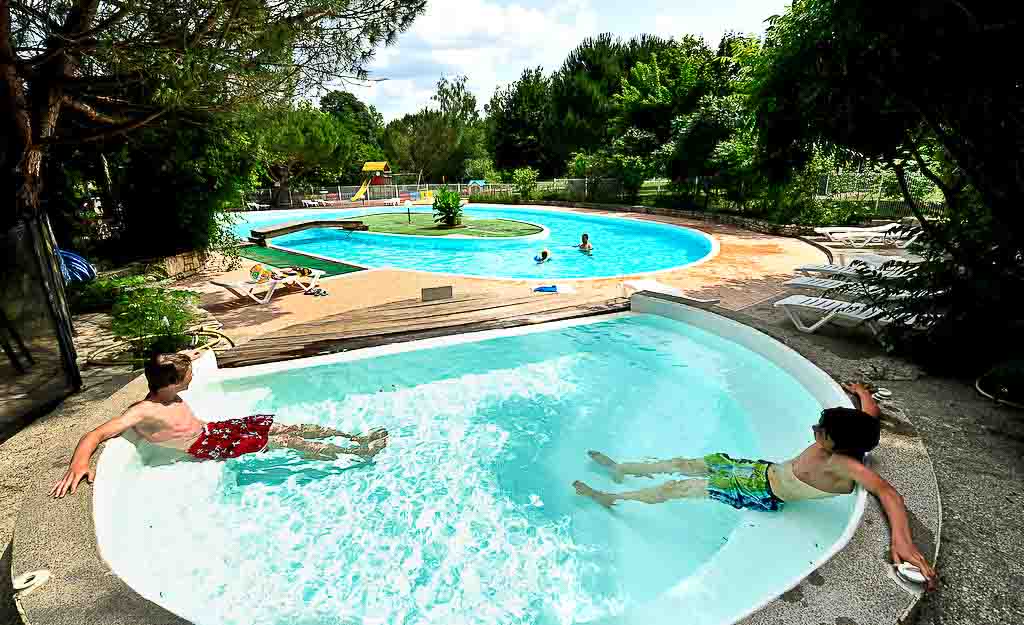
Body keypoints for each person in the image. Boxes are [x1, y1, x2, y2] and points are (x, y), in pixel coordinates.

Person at [573, 383, 937, 589]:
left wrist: (901, 539)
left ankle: (614, 498)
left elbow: (887, 492)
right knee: (689, 463)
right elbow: (868, 417)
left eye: (819, 431)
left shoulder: (844, 463)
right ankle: (623, 470)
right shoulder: (848, 437)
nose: (813, 432)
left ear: (838, 443)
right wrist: (862, 394)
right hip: (758, 470)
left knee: (679, 487)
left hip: (759, 491)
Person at [51, 352, 388, 498]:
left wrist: (191, 355)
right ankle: (359, 456)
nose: (193, 376)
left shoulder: (167, 392)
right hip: (209, 445)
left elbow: (181, 363)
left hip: (216, 430)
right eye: (188, 375)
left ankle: (354, 438)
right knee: (287, 442)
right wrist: (80, 463)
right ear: (170, 382)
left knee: (289, 428)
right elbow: (95, 433)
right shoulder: (142, 411)